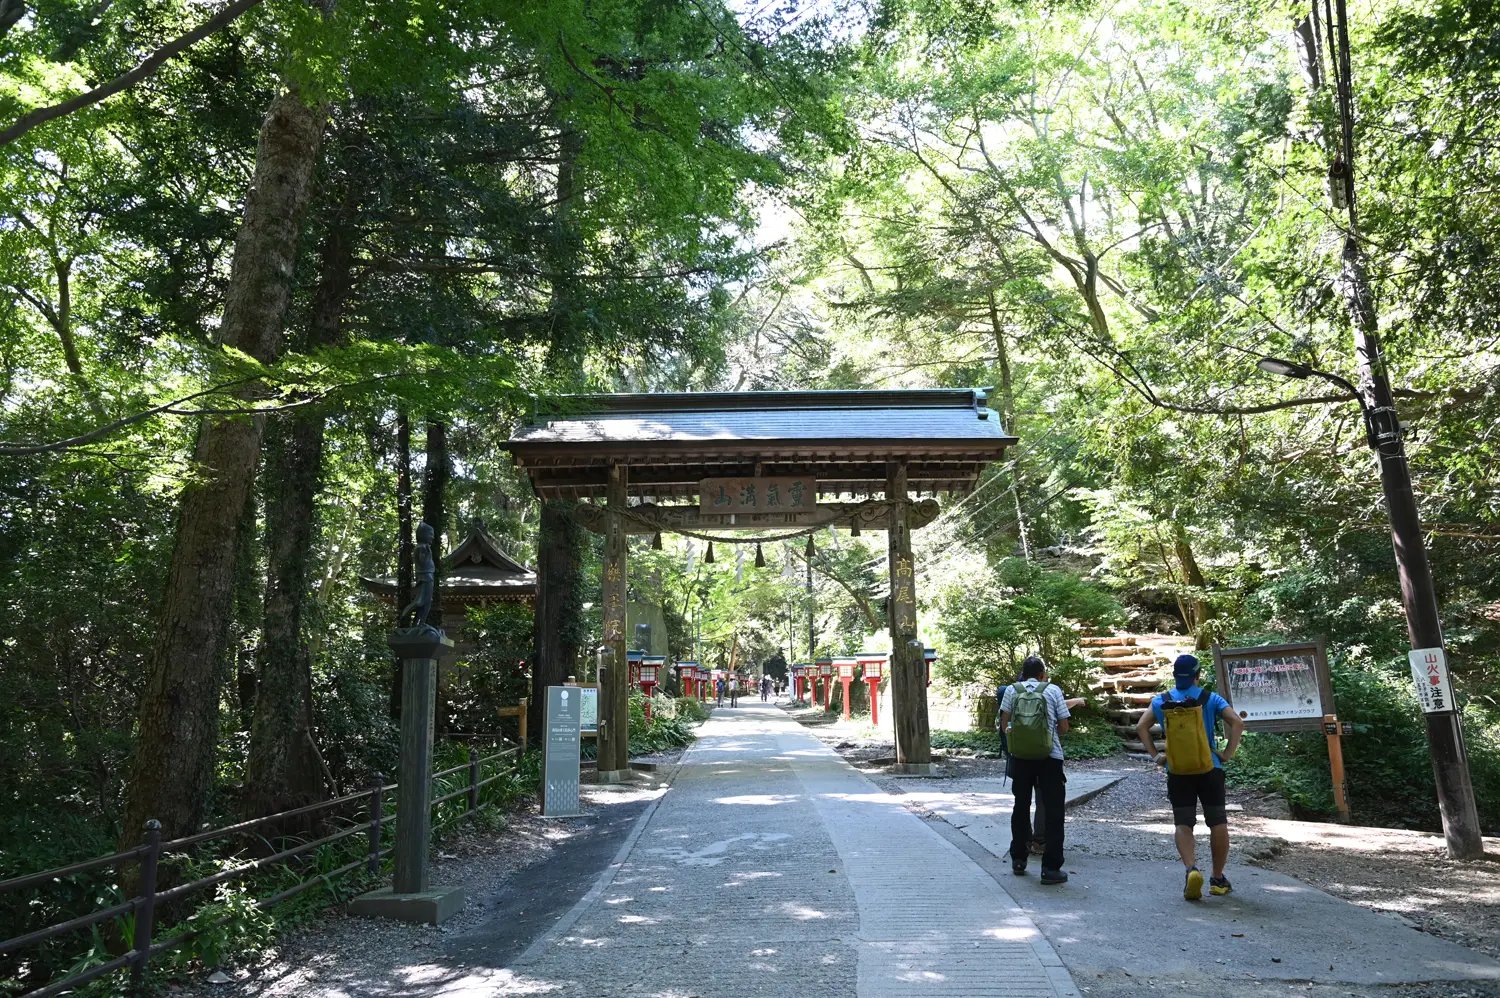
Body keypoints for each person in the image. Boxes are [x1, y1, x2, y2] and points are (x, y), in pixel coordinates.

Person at [1136, 653, 1246, 901]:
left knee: (1183, 823)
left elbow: (1141, 727)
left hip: (1177, 770)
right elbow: (1237, 723)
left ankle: (1191, 869)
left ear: (1175, 676)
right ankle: (1218, 879)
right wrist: (1227, 753)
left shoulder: (1161, 701)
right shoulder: (1210, 698)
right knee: (1217, 821)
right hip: (1210, 768)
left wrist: (1156, 756)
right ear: (1197, 675)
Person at [999, 655, 1072, 884]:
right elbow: (1063, 727)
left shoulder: (1012, 690)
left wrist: (1020, 739)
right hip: (1050, 758)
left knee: (1020, 806)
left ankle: (1019, 859)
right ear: (1042, 674)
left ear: (1023, 673)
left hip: (1020, 758)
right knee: (1053, 810)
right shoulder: (1053, 690)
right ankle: (1050, 869)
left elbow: (1004, 725)